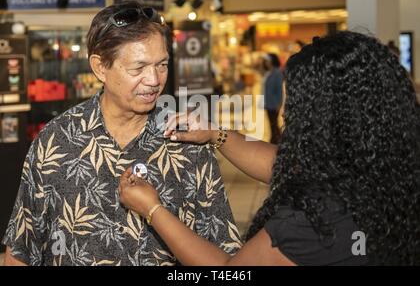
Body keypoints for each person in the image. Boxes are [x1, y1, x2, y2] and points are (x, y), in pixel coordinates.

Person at [119, 31, 420, 266]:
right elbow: (290, 167)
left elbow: (230, 269)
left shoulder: (314, 223)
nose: (284, 112)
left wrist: (153, 209)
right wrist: (215, 133)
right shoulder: (391, 174)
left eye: (297, 103)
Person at [2, 1, 240, 266]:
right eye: (138, 68)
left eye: (162, 65)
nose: (154, 80)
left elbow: (225, 259)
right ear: (100, 67)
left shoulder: (188, 143)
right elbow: (21, 251)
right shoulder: (56, 141)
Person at [261, 53, 284, 144]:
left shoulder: (277, 72)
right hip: (269, 103)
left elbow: (279, 89)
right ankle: (275, 141)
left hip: (274, 104)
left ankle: (276, 142)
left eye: (267, 61)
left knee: (274, 125)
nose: (266, 63)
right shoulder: (269, 72)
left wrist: (279, 103)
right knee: (272, 125)